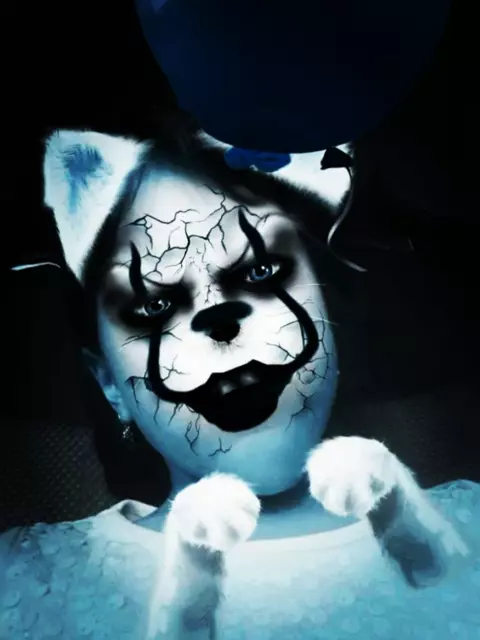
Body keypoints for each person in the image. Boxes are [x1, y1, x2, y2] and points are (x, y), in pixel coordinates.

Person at [1, 115, 479, 640]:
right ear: (109, 383)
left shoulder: (471, 523)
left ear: (327, 309)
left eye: (260, 271)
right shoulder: (22, 583)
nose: (219, 320)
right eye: (155, 305)